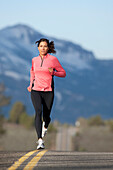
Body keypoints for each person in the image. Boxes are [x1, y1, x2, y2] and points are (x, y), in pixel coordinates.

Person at [27, 38, 66, 149]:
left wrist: (53, 72)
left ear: (48, 48)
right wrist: (31, 85)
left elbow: (63, 73)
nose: (43, 48)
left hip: (48, 91)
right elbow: (32, 72)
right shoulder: (34, 60)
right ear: (38, 48)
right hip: (36, 90)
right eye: (41, 46)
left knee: (46, 115)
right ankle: (40, 140)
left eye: (45, 46)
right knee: (38, 112)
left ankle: (46, 125)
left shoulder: (53, 60)